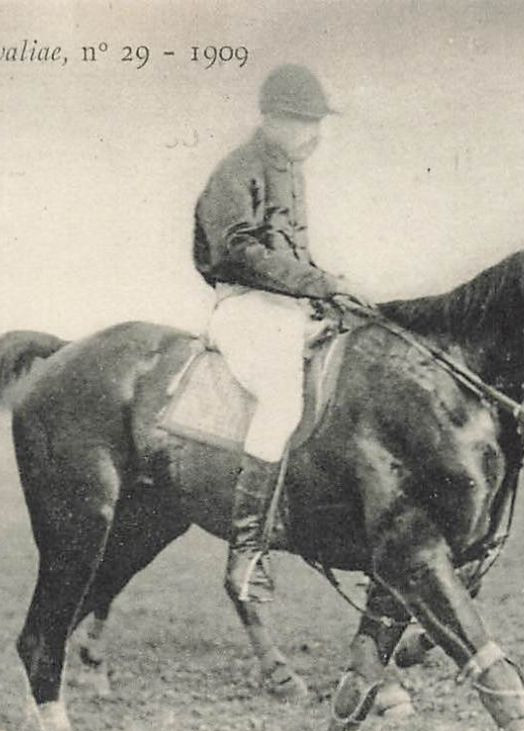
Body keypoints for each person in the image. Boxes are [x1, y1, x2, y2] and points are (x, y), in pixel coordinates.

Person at [193, 63, 368, 603]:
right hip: (245, 306)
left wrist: (331, 289)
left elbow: (291, 254)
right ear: (270, 119)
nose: (313, 135)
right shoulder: (237, 169)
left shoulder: (291, 173)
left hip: (286, 308)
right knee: (281, 400)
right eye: (303, 123)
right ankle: (246, 552)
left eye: (317, 124)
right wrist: (318, 283)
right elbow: (237, 252)